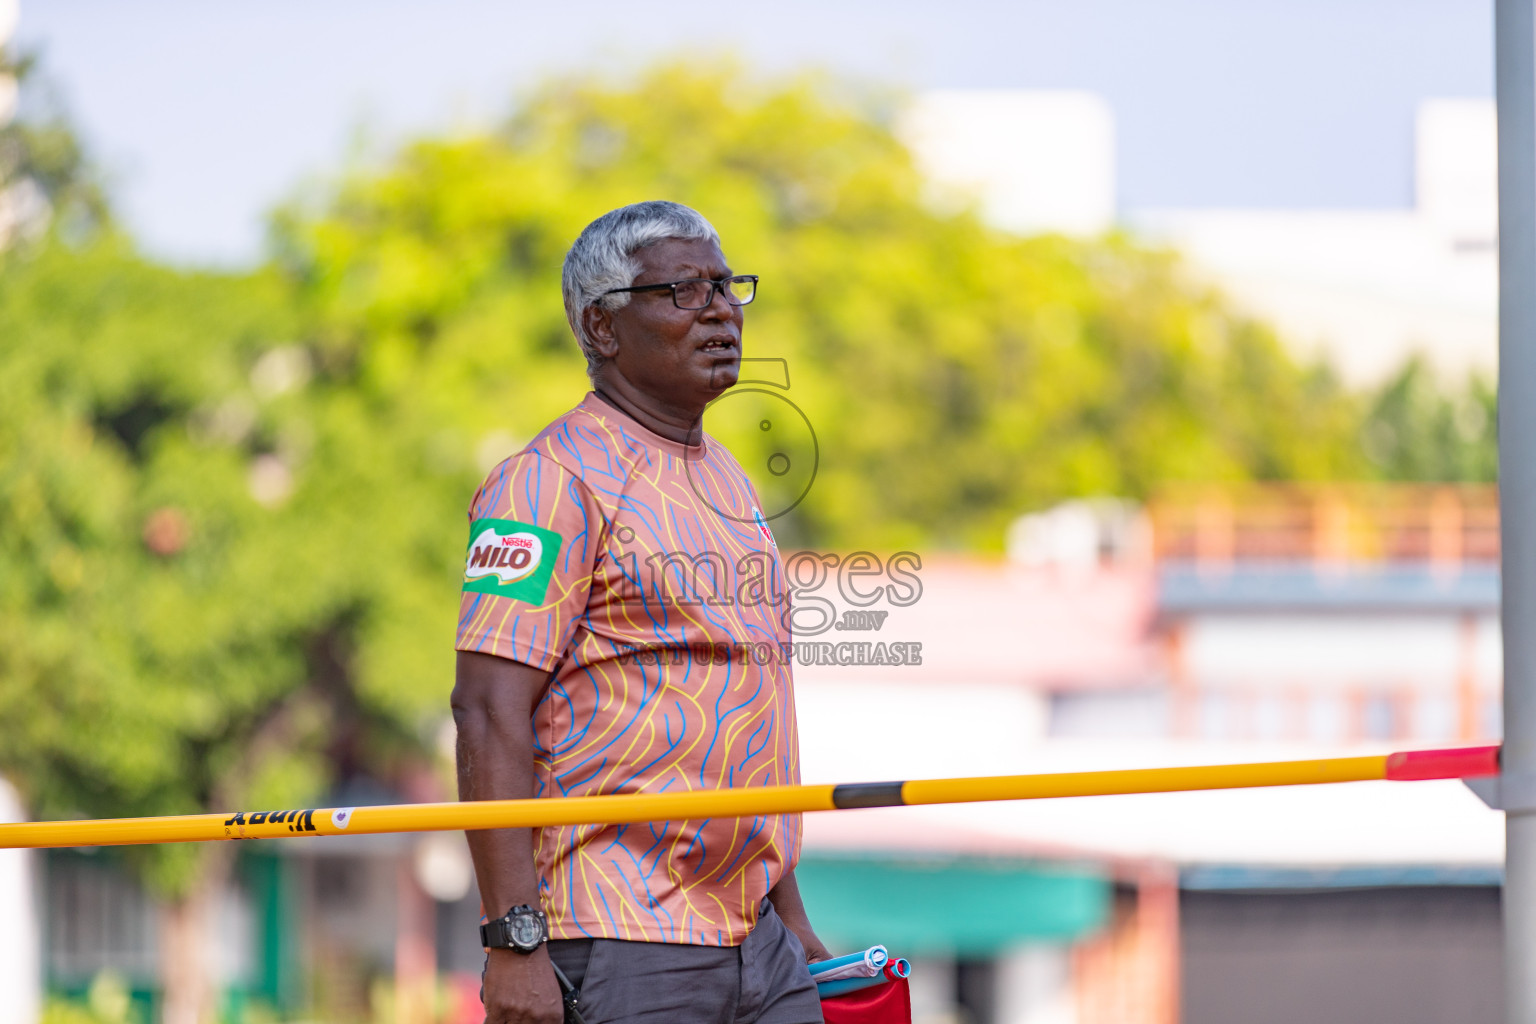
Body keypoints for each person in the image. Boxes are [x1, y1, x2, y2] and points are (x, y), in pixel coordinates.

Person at [452, 200, 829, 1024]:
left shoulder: (729, 478)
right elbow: (486, 711)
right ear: (604, 326)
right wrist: (512, 944)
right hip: (620, 939)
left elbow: (748, 710)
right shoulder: (546, 483)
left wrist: (788, 913)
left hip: (757, 941)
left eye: (727, 287)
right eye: (684, 292)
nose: (722, 309)